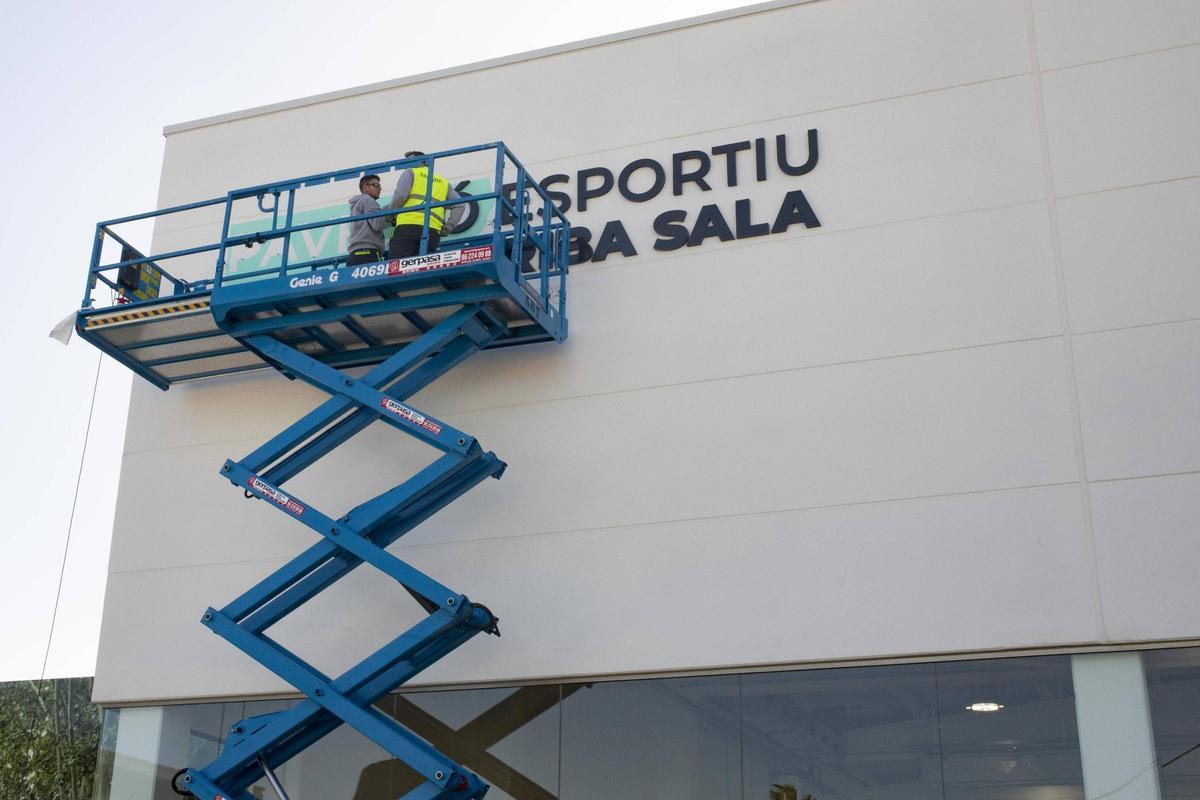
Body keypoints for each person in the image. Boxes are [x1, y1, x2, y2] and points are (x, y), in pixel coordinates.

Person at [387, 151, 466, 259]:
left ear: (423, 161)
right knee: (422, 270)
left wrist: (391, 215)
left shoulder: (411, 172)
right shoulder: (443, 182)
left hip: (407, 227)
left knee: (398, 269)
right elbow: (460, 204)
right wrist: (448, 228)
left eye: (410, 161)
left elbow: (400, 195)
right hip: (432, 231)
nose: (407, 165)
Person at [346, 174, 388, 265]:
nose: (380, 188)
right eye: (376, 185)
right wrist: (391, 214)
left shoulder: (356, 204)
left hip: (353, 256)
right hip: (368, 253)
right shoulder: (368, 200)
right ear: (366, 187)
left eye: (380, 186)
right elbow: (377, 224)